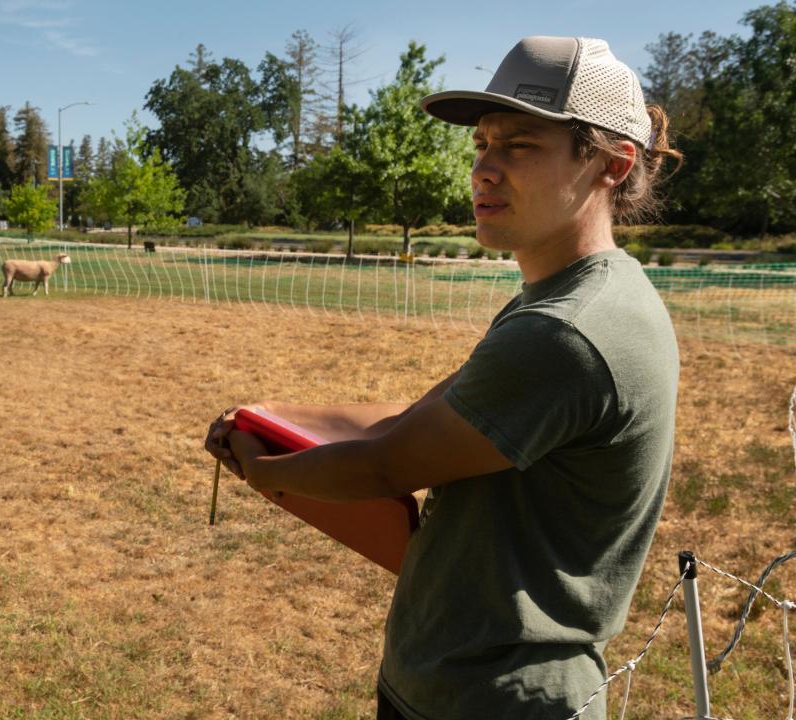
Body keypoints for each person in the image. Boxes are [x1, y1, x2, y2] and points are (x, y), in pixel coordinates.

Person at [204, 36, 683, 720]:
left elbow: (386, 465)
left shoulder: (568, 330)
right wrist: (270, 415)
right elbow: (418, 420)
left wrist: (263, 470)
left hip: (499, 698)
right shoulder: (570, 299)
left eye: (519, 145)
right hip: (457, 682)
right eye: (482, 144)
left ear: (612, 164)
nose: (484, 169)